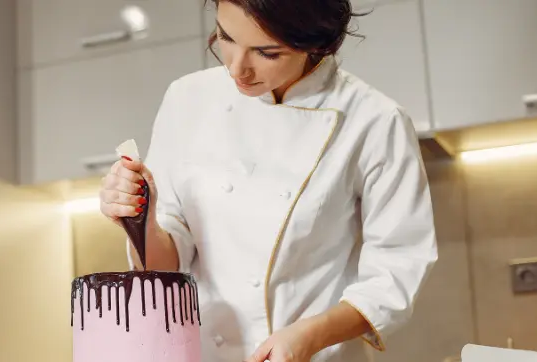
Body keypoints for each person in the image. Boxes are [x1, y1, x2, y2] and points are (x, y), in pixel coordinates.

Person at [98, 0, 438, 361]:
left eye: (267, 52)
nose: (236, 69)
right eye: (226, 37)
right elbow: (168, 264)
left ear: (317, 43)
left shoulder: (374, 121)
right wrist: (141, 220)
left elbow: (396, 269)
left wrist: (309, 336)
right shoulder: (187, 100)